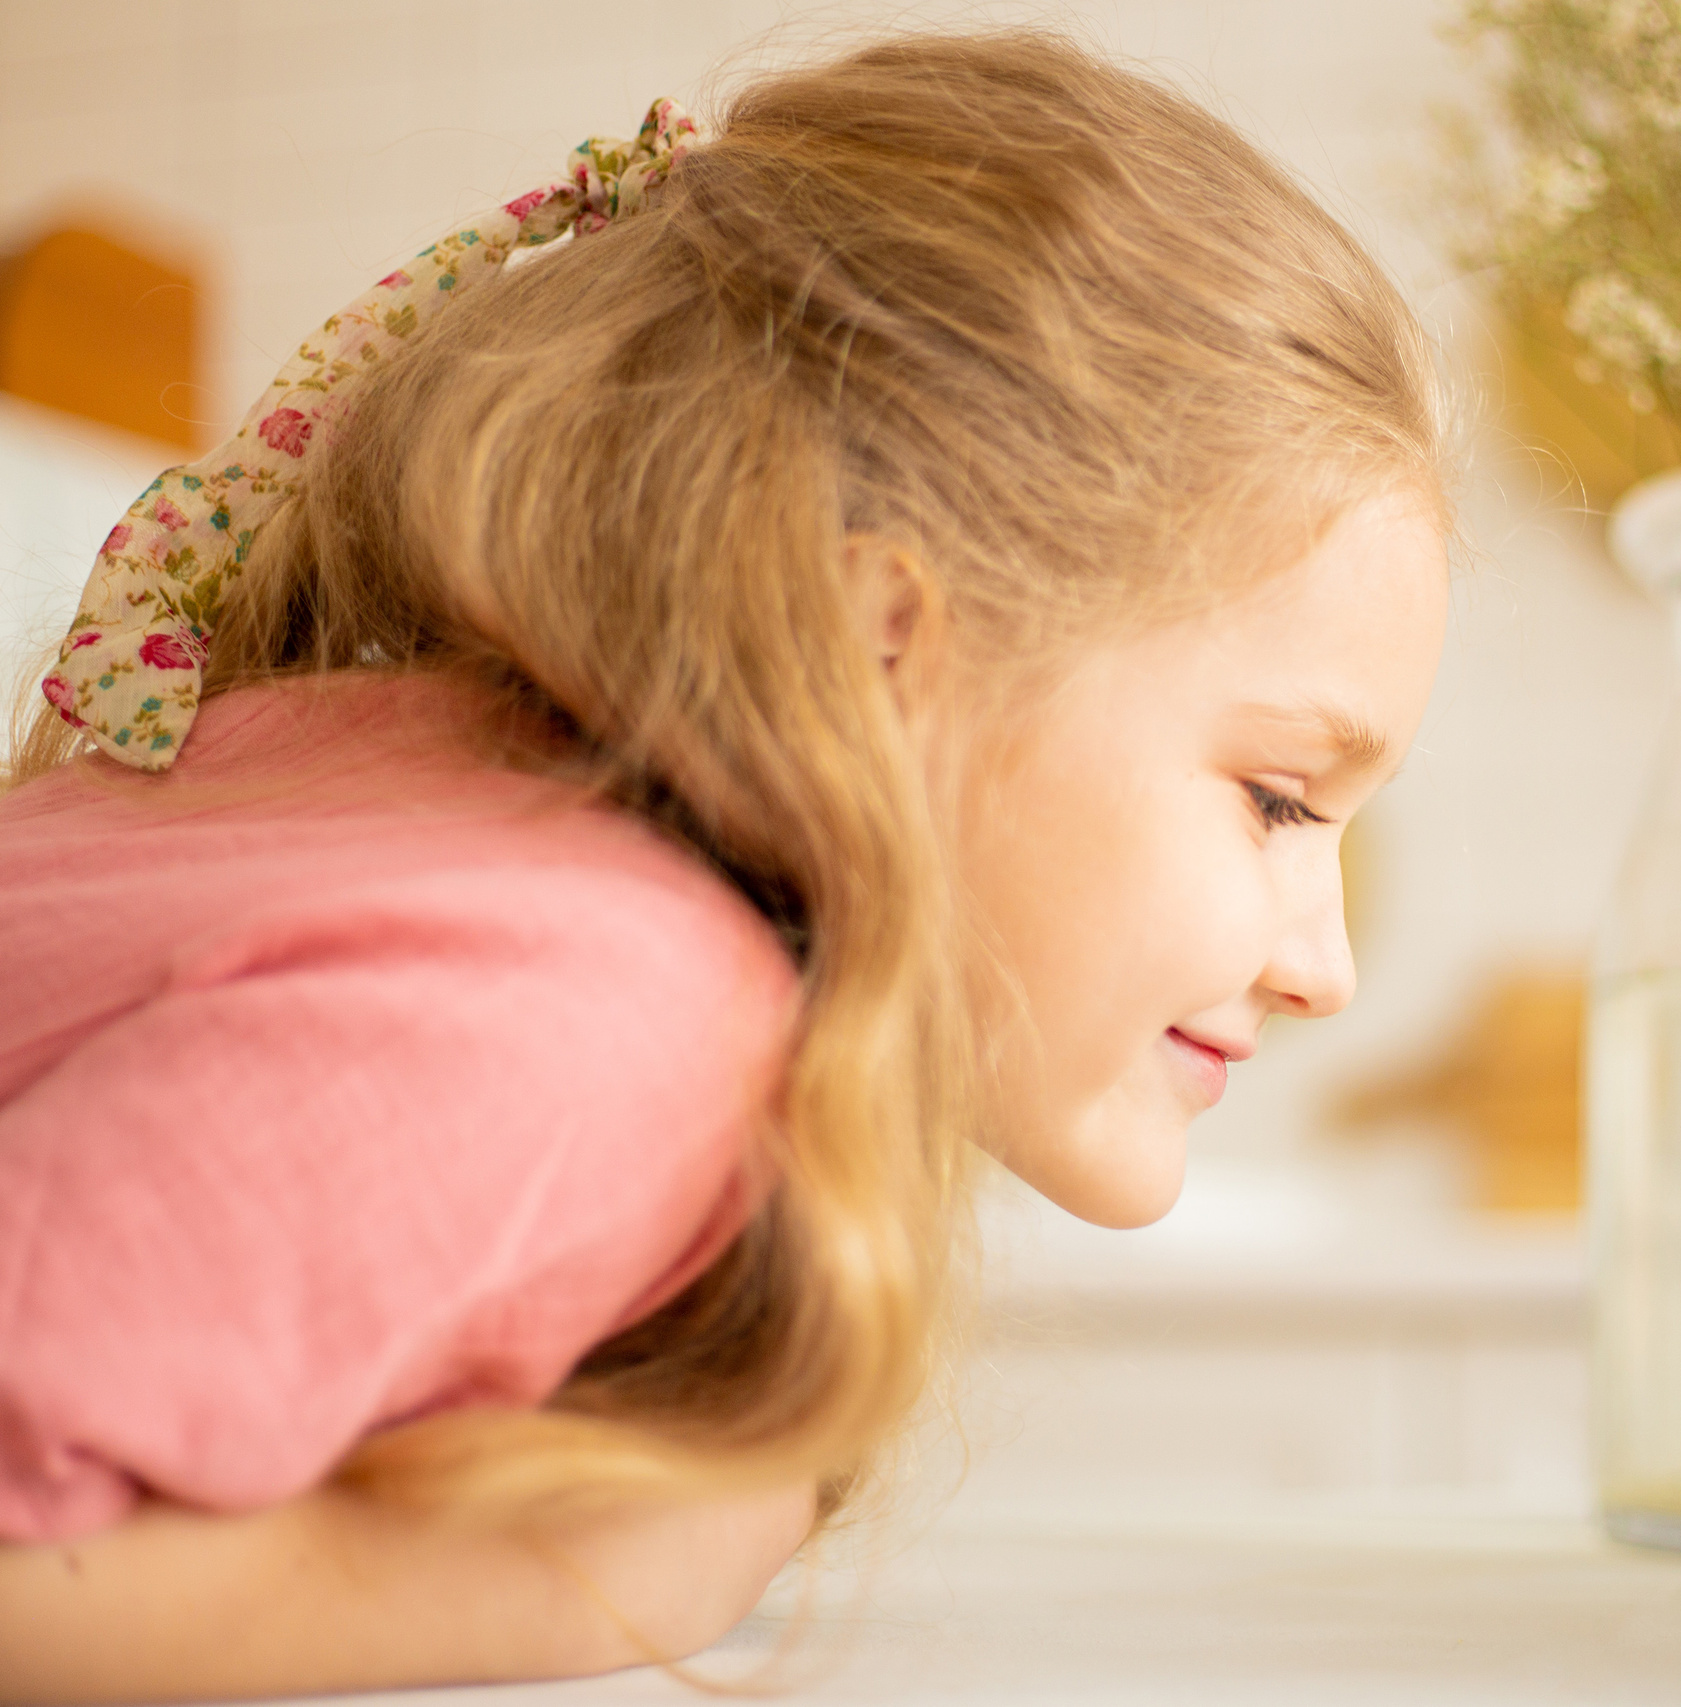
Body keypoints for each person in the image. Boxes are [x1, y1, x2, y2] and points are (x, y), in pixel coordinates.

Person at [0, 31, 1449, 1697]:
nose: (1325, 967)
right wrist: (588, 1587)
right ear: (875, 649)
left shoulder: (438, 833)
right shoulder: (584, 1009)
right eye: (1277, 798)